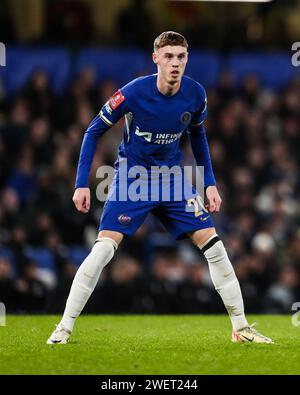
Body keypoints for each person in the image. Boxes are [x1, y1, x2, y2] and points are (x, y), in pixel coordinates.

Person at [47, 31, 273, 344]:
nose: (175, 63)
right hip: (133, 178)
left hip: (172, 180)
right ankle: (63, 328)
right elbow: (92, 130)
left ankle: (241, 329)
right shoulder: (133, 92)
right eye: (168, 56)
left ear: (187, 59)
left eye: (181, 56)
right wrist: (81, 184)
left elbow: (198, 136)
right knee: (102, 251)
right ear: (156, 59)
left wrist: (209, 183)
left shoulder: (195, 94)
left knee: (216, 247)